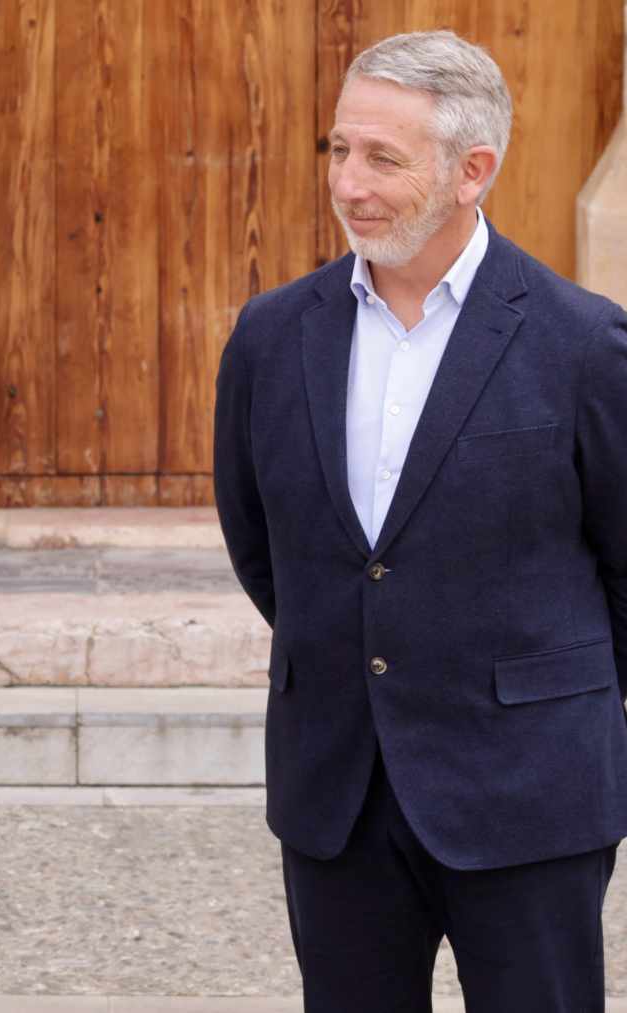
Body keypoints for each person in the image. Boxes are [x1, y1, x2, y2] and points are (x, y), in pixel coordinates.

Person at [214, 30, 627, 1012]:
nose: (348, 182)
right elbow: (264, 544)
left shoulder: (583, 342)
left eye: (382, 158)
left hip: (530, 796)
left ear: (473, 171)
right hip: (337, 793)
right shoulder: (271, 337)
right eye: (338, 150)